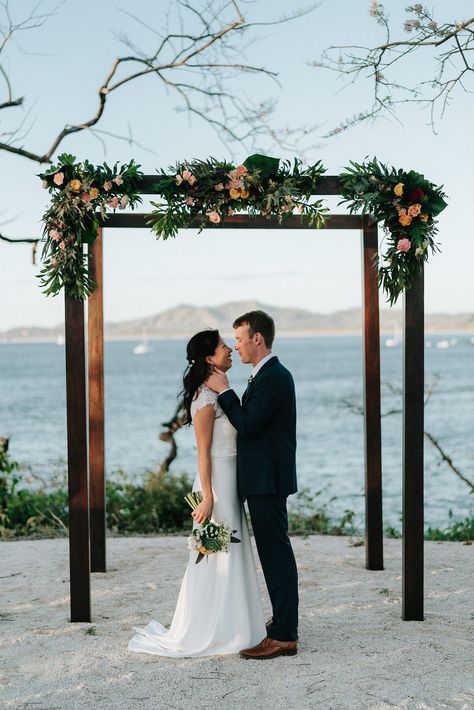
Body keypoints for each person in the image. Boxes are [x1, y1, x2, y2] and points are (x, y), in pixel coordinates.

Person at [128, 329, 266, 657]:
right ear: (208, 358)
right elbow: (203, 452)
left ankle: (237, 625)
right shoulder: (205, 397)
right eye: (222, 346)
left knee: (234, 554)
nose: (230, 349)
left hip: (229, 484)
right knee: (215, 555)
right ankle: (212, 628)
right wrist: (208, 496)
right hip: (214, 485)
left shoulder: (221, 389)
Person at [206, 310, 299, 660]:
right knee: (274, 553)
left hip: (268, 480)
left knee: (275, 554)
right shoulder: (265, 376)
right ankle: (283, 625)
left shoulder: (274, 377)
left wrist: (225, 391)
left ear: (257, 338)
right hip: (261, 479)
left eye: (241, 339)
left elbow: (248, 423)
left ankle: (284, 635)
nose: (237, 347)